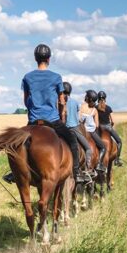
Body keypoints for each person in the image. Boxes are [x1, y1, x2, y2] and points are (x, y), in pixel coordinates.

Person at [18, 44, 85, 181]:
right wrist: (62, 113)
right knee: (72, 140)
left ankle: (14, 172)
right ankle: (76, 172)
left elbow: (26, 101)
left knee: (18, 145)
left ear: (35, 58)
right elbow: (61, 101)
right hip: (53, 120)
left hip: (33, 121)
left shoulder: (27, 77)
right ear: (48, 59)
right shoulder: (56, 77)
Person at [60, 82, 92, 182]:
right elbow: (77, 117)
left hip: (60, 128)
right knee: (88, 148)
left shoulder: (58, 101)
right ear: (70, 91)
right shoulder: (74, 102)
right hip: (73, 128)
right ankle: (85, 171)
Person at [79, 90, 106, 173]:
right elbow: (97, 125)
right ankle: (99, 164)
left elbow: (79, 120)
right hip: (91, 132)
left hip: (82, 132)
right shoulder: (94, 110)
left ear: (87, 98)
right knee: (103, 147)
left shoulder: (81, 106)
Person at [97, 91, 123, 167]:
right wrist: (111, 125)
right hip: (108, 127)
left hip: (99, 128)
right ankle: (117, 159)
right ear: (105, 99)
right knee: (119, 142)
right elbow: (113, 121)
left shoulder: (95, 108)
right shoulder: (108, 108)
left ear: (98, 99)